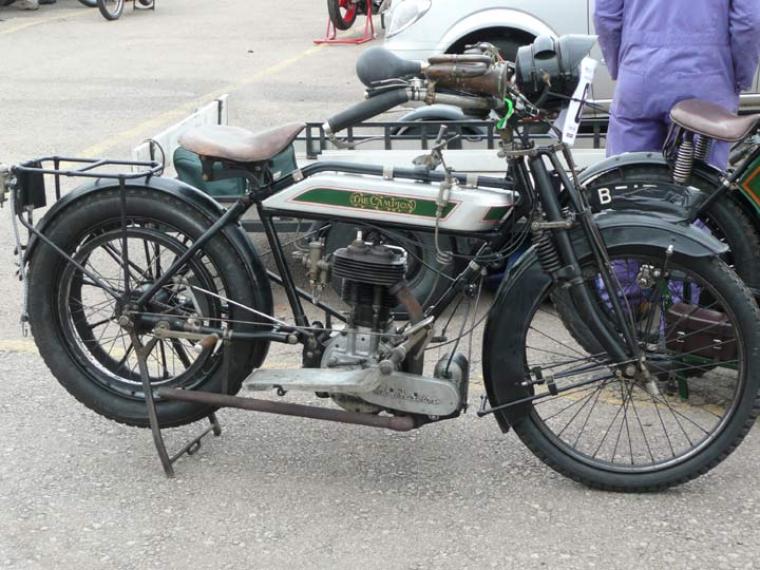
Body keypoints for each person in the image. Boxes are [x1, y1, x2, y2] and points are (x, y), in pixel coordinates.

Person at [595, 0, 760, 168]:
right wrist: (742, 76)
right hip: (706, 81)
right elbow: (749, 22)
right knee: (702, 179)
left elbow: (605, 16)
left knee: (629, 173)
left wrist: (620, 68)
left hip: (639, 77)